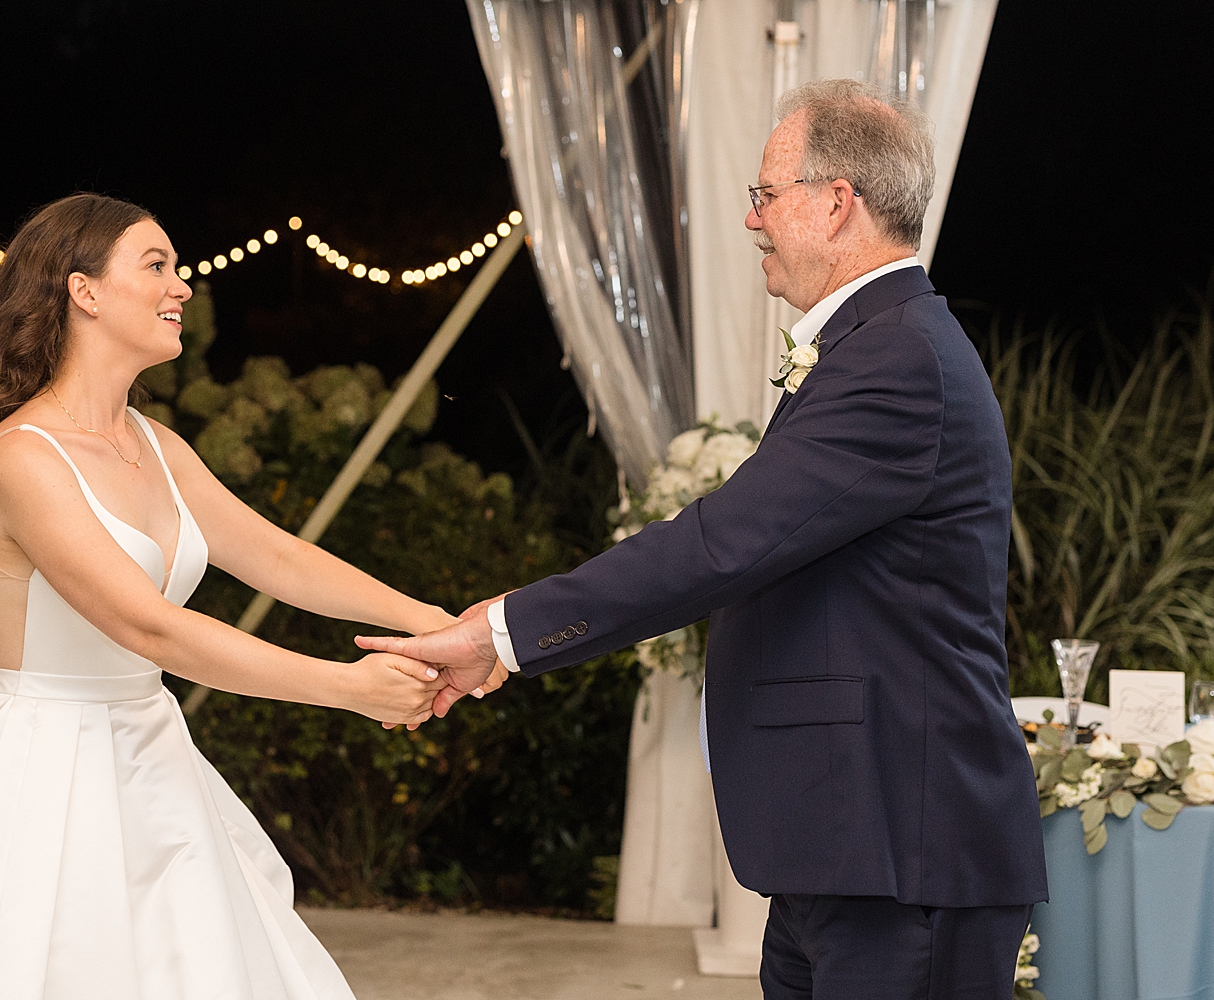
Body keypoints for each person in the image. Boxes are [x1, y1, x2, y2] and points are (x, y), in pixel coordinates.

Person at [358, 79, 1047, 999]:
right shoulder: (875, 346)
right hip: (844, 846)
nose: (754, 220)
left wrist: (502, 632)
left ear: (836, 201)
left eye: (766, 195)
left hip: (899, 850)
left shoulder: (898, 359)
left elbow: (720, 546)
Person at [0, 193, 499, 1000]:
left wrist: (440, 625)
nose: (183, 286)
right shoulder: (25, 456)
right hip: (40, 766)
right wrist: (349, 689)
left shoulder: (155, 443)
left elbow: (276, 557)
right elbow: (148, 626)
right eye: (155, 265)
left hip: (148, 754)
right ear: (82, 290)